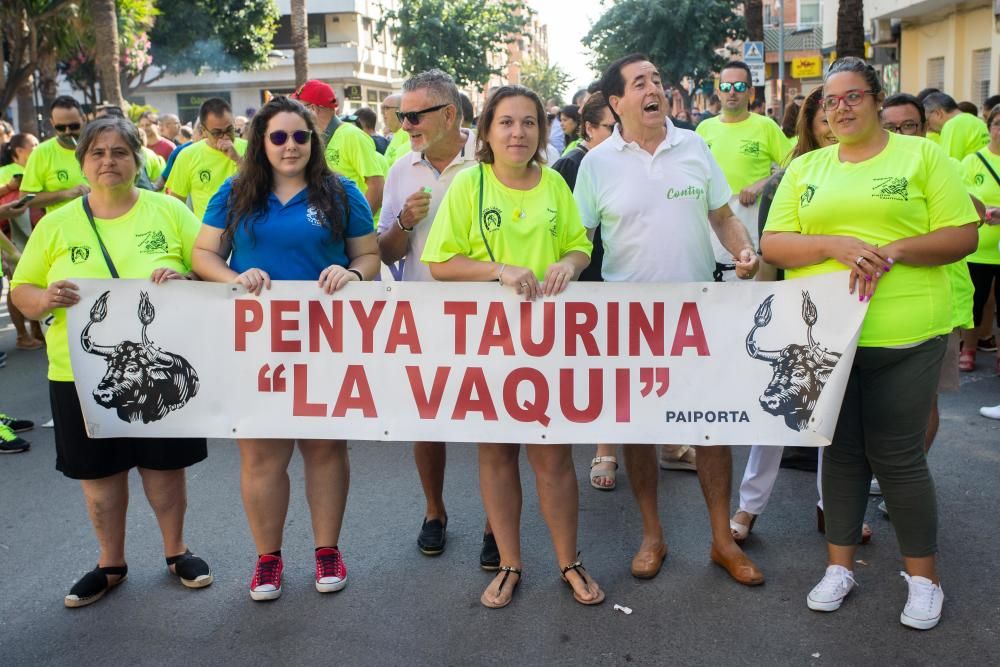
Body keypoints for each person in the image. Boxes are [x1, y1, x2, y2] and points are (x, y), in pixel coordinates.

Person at [762, 57, 978, 630]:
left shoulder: (922, 156)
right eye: (831, 101)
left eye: (853, 96)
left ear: (877, 99)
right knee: (839, 451)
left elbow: (962, 234)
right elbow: (774, 243)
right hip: (824, 337)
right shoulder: (807, 167)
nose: (841, 108)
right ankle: (839, 567)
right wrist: (835, 243)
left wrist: (895, 250)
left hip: (906, 331)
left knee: (898, 455)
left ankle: (923, 579)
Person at [575, 53, 762, 586]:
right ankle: (652, 535)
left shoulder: (694, 144)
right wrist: (552, 277)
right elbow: (577, 242)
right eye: (640, 82)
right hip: (629, 321)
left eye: (657, 79)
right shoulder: (597, 163)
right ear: (616, 102)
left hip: (697, 315)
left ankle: (722, 540)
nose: (654, 87)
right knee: (638, 431)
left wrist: (743, 250)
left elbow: (722, 216)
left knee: (711, 429)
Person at [11, 116, 214, 607]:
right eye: (98, 153)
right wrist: (45, 299)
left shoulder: (168, 212)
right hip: (77, 373)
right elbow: (22, 290)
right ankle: (110, 563)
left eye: (120, 152)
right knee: (98, 476)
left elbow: (211, 267)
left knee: (164, 470)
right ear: (82, 162)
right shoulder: (56, 225)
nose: (108, 161)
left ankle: (176, 551)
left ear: (137, 160)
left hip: (155, 374)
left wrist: (187, 275)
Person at [422, 84, 603, 609]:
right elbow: (441, 262)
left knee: (553, 456)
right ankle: (509, 563)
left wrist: (569, 264)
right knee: (497, 453)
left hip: (547, 343)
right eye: (506, 122)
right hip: (486, 341)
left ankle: (569, 561)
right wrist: (500, 271)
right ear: (486, 132)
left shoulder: (553, 184)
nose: (518, 132)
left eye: (528, 123)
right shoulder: (467, 185)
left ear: (542, 133)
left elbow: (578, 246)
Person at [193, 96, 379, 601]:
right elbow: (203, 253)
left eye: (300, 136)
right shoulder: (235, 193)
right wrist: (234, 276)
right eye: (278, 137)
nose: (290, 146)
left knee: (324, 448)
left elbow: (369, 255)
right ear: (261, 143)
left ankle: (327, 551)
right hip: (257, 345)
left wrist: (353, 272)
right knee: (261, 455)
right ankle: (268, 560)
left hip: (327, 341)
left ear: (313, 141)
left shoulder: (341, 193)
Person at [729, 87, 875, 546]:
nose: (835, 127)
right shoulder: (792, 175)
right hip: (799, 308)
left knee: (838, 419)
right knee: (780, 412)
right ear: (810, 127)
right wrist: (765, 306)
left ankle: (831, 508)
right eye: (824, 121)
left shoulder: (875, 169)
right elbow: (771, 247)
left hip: (860, 304)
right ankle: (749, 507)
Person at [377, 69, 494, 563]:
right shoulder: (403, 169)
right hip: (423, 311)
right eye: (401, 116)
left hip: (491, 313)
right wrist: (404, 220)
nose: (404, 125)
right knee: (428, 419)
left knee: (495, 422)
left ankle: (496, 523)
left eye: (414, 115)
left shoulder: (491, 161)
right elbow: (384, 251)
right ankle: (434, 511)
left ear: (449, 114)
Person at [551, 93, 621, 490]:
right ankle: (604, 449)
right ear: (588, 129)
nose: (618, 137)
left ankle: (666, 443)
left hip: (622, 279)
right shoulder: (570, 165)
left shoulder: (627, 161)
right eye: (610, 129)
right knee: (600, 368)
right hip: (585, 281)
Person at [696, 61, 789, 282]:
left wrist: (762, 184)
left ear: (751, 92)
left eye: (739, 87)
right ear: (718, 92)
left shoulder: (766, 126)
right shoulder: (703, 129)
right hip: (711, 225)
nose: (732, 93)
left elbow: (795, 165)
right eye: (726, 87)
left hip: (751, 223)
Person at [291, 80, 385, 214]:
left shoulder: (352, 136)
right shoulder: (314, 137)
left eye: (299, 109)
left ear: (313, 108)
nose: (296, 114)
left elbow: (376, 184)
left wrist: (359, 227)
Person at [959, 103, 1000, 374]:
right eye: (998, 123)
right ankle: (968, 350)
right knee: (974, 304)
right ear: (989, 128)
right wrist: (981, 210)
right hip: (978, 251)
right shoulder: (972, 161)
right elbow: (960, 197)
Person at [165, 97, 247, 219]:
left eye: (229, 130)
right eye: (217, 133)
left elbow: (264, 187)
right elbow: (176, 204)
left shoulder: (249, 148)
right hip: (207, 233)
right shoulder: (187, 155)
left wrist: (238, 159)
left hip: (247, 230)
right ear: (204, 131)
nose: (225, 137)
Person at [0, 133, 44, 349]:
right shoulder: (4, 172)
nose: (38, 148)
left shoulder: (37, 169)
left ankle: (38, 329)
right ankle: (22, 334)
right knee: (16, 284)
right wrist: (9, 187)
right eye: (33, 145)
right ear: (18, 150)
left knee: (37, 282)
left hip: (37, 235)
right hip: (11, 238)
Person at [20, 96, 90, 212]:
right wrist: (65, 194)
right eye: (60, 127)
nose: (68, 132)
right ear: (52, 123)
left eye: (74, 126)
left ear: (84, 119)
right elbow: (26, 198)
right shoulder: (41, 152)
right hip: (64, 226)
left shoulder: (99, 146)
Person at [923, 92, 990, 160]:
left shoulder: (952, 125)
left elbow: (949, 165)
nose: (928, 127)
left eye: (928, 121)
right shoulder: (979, 122)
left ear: (938, 113)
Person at [381, 93, 410, 166]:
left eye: (386, 108)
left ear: (401, 110)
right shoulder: (397, 134)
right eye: (382, 109)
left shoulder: (409, 134)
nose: (382, 113)